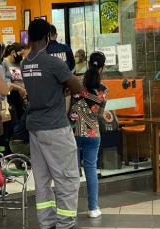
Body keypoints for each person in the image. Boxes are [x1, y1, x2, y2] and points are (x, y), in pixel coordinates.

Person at [21, 19, 83, 229]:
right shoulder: (53, 62)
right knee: (67, 178)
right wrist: (64, 86)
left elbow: (43, 87)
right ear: (48, 37)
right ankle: (65, 223)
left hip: (35, 129)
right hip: (55, 128)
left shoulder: (25, 63)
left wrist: (60, 87)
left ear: (29, 37)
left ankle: (47, 223)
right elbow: (77, 87)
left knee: (42, 179)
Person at [68, 51, 108, 218]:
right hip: (93, 133)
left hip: (73, 132)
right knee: (91, 169)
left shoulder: (75, 82)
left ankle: (71, 208)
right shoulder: (103, 89)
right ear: (102, 67)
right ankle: (93, 208)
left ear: (88, 64)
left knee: (73, 171)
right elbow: (99, 112)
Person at [2, 42, 27, 126]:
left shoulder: (19, 63)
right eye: (20, 54)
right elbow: (5, 81)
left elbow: (22, 78)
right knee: (14, 120)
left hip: (20, 95)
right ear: (13, 52)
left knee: (21, 119)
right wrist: (19, 88)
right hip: (10, 94)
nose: (22, 56)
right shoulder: (4, 63)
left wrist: (23, 88)